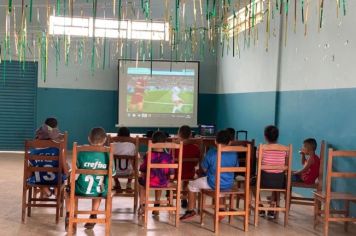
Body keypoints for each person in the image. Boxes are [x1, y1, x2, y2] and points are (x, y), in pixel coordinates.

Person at [180, 130, 238, 220]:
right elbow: (236, 167)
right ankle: (221, 209)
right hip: (228, 183)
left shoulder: (212, 152)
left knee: (191, 185)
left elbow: (204, 168)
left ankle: (190, 210)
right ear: (230, 142)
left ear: (215, 141)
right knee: (220, 185)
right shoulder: (234, 153)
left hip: (212, 183)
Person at [65, 127, 115, 231]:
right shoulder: (108, 153)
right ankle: (93, 214)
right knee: (100, 187)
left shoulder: (81, 151)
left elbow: (74, 169)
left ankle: (69, 215)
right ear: (105, 139)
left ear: (89, 138)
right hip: (100, 191)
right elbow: (113, 173)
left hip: (81, 189)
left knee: (68, 191)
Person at [29, 117, 68, 198]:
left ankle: (46, 191)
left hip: (38, 179)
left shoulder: (33, 150)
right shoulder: (58, 149)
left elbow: (30, 168)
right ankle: (57, 191)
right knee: (63, 168)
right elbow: (64, 170)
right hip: (55, 179)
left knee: (36, 172)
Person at [137, 131, 174, 216]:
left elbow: (142, 170)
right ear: (165, 143)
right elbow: (171, 176)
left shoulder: (148, 154)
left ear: (152, 142)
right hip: (163, 183)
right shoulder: (168, 157)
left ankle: (142, 205)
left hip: (149, 182)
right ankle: (157, 205)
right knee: (161, 178)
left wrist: (143, 174)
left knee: (141, 183)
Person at [258, 125, 287, 219]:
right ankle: (271, 209)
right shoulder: (285, 149)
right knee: (276, 183)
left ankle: (260, 207)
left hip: (264, 181)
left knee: (253, 184)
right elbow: (285, 165)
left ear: (265, 136)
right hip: (280, 182)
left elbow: (258, 163)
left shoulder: (262, 148)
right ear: (277, 136)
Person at [175, 125, 201, 208]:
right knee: (186, 175)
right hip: (189, 173)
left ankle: (171, 196)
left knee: (179, 172)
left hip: (175, 173)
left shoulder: (174, 147)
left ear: (178, 134)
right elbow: (197, 163)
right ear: (190, 135)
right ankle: (185, 199)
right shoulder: (196, 148)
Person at [112, 127, 136, 192]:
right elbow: (134, 161)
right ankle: (129, 184)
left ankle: (117, 183)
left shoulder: (112, 145)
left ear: (118, 135)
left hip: (114, 172)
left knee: (111, 164)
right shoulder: (132, 145)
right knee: (135, 163)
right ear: (128, 135)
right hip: (128, 172)